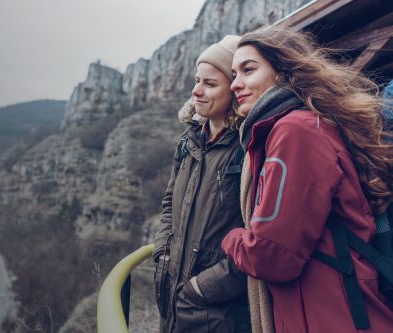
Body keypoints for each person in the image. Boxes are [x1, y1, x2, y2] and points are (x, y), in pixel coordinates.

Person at [221, 26, 393, 333]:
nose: (236, 84)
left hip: (334, 316)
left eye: (248, 70)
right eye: (234, 74)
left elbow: (272, 255)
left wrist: (229, 237)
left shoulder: (295, 130)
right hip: (329, 309)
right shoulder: (301, 124)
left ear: (283, 71)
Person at [153, 35, 250, 333]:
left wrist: (200, 288)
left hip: (221, 311)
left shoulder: (248, 146)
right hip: (173, 296)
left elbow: (261, 234)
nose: (196, 91)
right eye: (197, 80)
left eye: (209, 84)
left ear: (234, 89)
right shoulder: (189, 139)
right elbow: (170, 201)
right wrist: (162, 254)